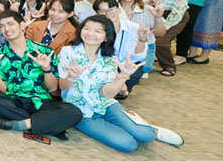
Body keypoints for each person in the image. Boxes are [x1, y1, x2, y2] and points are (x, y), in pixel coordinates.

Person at [59, 15, 183, 152]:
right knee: (128, 144)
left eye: (97, 31)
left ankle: (149, 128)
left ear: (106, 37)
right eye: (86, 28)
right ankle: (132, 124)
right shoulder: (67, 52)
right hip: (82, 111)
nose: (90, 33)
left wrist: (123, 76)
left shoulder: (110, 59)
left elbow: (107, 95)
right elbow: (62, 87)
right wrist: (71, 76)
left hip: (106, 104)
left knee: (147, 135)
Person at [0, 10, 83, 138]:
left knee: (74, 112)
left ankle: (19, 124)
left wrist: (46, 68)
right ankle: (45, 124)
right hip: (13, 101)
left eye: (10, 24)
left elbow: (52, 88)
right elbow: (2, 90)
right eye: (2, 26)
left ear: (22, 25)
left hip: (40, 101)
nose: (6, 29)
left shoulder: (44, 51)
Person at [140, 0, 190, 77]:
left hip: (175, 15)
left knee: (161, 42)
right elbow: (142, 1)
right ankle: (143, 64)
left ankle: (169, 66)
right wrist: (150, 2)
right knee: (146, 39)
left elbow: (179, 8)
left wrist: (165, 27)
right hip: (152, 13)